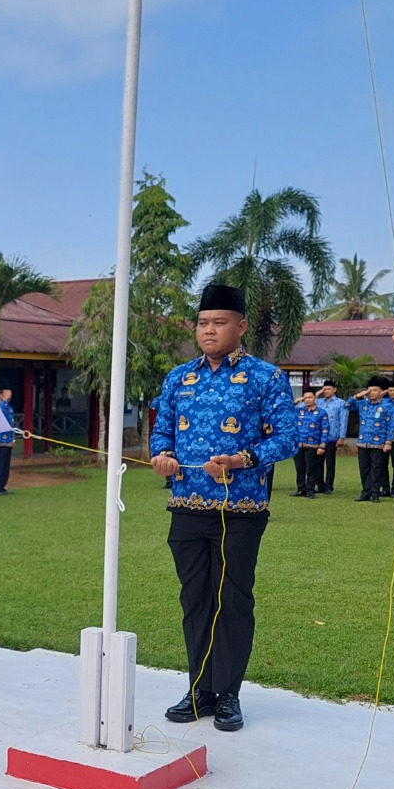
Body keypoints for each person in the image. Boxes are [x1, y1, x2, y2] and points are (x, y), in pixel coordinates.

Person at [149, 284, 296, 733]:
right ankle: (200, 689)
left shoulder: (266, 378)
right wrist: (162, 456)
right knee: (194, 600)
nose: (209, 331)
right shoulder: (178, 378)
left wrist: (241, 459)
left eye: (219, 323)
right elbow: (162, 433)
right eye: (203, 323)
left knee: (231, 600)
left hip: (241, 509)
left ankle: (228, 693)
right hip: (187, 506)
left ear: (241, 326)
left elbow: (286, 438)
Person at [348, 377, 392, 502]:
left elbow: (390, 425)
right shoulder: (362, 404)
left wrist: (388, 442)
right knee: (364, 468)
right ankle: (365, 491)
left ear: (381, 392)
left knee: (376, 469)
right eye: (370, 390)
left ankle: (375, 493)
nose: (371, 392)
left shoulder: (386, 406)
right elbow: (346, 405)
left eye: (374, 390)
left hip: (378, 443)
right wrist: (358, 395)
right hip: (363, 442)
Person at [292, 387, 327, 497]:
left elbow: (325, 430)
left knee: (311, 468)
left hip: (313, 445)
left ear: (315, 398)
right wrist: (295, 402)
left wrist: (322, 446)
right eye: (305, 397)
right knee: (299, 468)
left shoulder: (321, 413)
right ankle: (301, 488)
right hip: (299, 444)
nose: (307, 400)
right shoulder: (299, 411)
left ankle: (310, 489)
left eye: (310, 397)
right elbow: (285, 411)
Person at [315, 381, 348, 493]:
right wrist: (317, 394)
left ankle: (329, 486)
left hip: (332, 436)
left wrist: (342, 437)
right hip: (318, 437)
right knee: (318, 463)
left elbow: (343, 420)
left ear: (334, 390)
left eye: (329, 389)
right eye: (324, 389)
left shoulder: (340, 403)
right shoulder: (319, 402)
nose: (326, 391)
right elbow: (303, 404)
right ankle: (320, 485)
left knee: (330, 463)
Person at [0, 388, 16, 495]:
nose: (9, 395)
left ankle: (3, 486)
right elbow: (0, 414)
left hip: (8, 440)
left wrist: (13, 438)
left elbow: (11, 424)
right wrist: (4, 400)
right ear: (0, 395)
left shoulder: (9, 407)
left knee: (6, 465)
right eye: (6, 393)